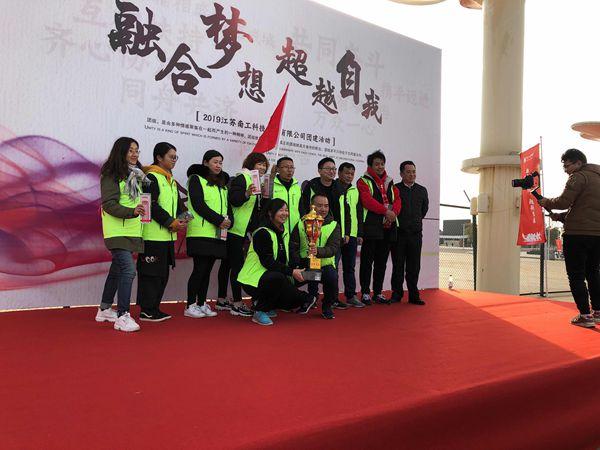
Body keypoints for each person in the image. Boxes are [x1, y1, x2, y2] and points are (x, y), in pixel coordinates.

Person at [537, 149, 600, 328]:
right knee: (593, 273)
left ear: (579, 162)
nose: (565, 169)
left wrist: (546, 202)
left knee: (576, 275)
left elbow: (563, 201)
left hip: (577, 235)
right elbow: (586, 209)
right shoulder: (598, 177)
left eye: (567, 165)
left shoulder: (578, 177)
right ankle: (597, 312)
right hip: (597, 235)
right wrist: (562, 217)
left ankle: (585, 316)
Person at [238, 198, 316, 326]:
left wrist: (304, 265)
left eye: (286, 210)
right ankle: (260, 310)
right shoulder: (262, 232)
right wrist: (292, 272)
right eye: (281, 210)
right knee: (278, 278)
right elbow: (268, 262)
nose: (285, 213)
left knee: (315, 274)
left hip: (277, 275)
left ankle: (325, 302)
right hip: (253, 280)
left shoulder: (284, 231)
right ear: (270, 213)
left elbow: (289, 257)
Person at [96, 137, 147, 332]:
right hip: (117, 231)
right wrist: (132, 212)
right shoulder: (111, 173)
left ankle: (104, 309)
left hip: (132, 229)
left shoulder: (136, 174)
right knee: (128, 270)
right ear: (121, 152)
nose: (134, 154)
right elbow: (109, 204)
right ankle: (123, 315)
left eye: (137, 150)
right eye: (130, 150)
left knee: (117, 269)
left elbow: (136, 202)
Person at [136, 142, 186, 322]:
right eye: (171, 157)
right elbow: (151, 205)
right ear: (159, 157)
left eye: (175, 157)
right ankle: (146, 310)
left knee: (162, 274)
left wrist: (183, 219)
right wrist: (170, 222)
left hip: (167, 236)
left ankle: (154, 308)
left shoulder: (169, 179)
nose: (174, 160)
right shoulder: (150, 177)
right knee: (151, 274)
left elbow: (177, 206)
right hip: (152, 236)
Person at [217, 152, 269, 317]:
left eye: (264, 165)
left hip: (243, 230)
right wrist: (246, 194)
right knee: (236, 266)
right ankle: (237, 303)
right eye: (259, 164)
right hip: (235, 229)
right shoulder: (242, 178)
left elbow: (256, 210)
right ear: (251, 164)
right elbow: (234, 199)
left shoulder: (257, 182)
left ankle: (221, 300)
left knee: (227, 264)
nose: (262, 167)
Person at [185, 150, 233, 319]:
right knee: (199, 269)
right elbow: (198, 205)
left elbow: (227, 207)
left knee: (207, 271)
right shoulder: (196, 179)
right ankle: (190, 304)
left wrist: (229, 221)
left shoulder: (222, 184)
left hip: (217, 234)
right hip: (200, 232)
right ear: (205, 163)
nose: (218, 165)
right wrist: (219, 220)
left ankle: (201, 303)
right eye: (215, 162)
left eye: (220, 162)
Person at [357, 150, 401, 305]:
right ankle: (365, 293)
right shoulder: (363, 181)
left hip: (388, 228)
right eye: (377, 164)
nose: (380, 167)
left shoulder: (390, 182)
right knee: (367, 262)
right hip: (371, 227)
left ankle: (377, 292)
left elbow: (398, 199)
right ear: (370, 165)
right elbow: (367, 201)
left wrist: (394, 213)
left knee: (381, 263)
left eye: (382, 164)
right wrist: (385, 211)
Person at [292, 194, 342, 319]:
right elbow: (293, 246)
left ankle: (327, 306)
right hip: (306, 267)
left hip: (324, 268)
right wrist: (296, 264)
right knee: (288, 279)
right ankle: (308, 298)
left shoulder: (334, 225)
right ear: (312, 206)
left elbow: (333, 248)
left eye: (326, 206)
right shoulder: (301, 223)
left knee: (332, 277)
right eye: (320, 206)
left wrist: (317, 251)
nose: (323, 209)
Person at [390, 161, 429, 305]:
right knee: (398, 266)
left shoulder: (422, 190)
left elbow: (424, 210)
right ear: (401, 174)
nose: (412, 174)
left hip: (415, 235)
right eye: (408, 172)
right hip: (399, 234)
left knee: (414, 266)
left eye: (414, 171)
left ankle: (414, 295)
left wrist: (415, 223)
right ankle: (397, 294)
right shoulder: (395, 189)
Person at [336, 162, 365, 308]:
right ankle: (332, 297)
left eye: (352, 174)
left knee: (350, 267)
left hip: (352, 235)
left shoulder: (355, 191)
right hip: (335, 234)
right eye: (346, 173)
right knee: (333, 267)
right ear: (339, 173)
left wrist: (360, 233)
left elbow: (359, 213)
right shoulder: (333, 188)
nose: (349, 176)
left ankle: (351, 296)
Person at [271, 156, 302, 237]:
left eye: (292, 167)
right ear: (278, 169)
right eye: (286, 167)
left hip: (295, 230)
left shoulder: (297, 187)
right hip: (276, 229)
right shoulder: (271, 185)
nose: (289, 170)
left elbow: (301, 208)